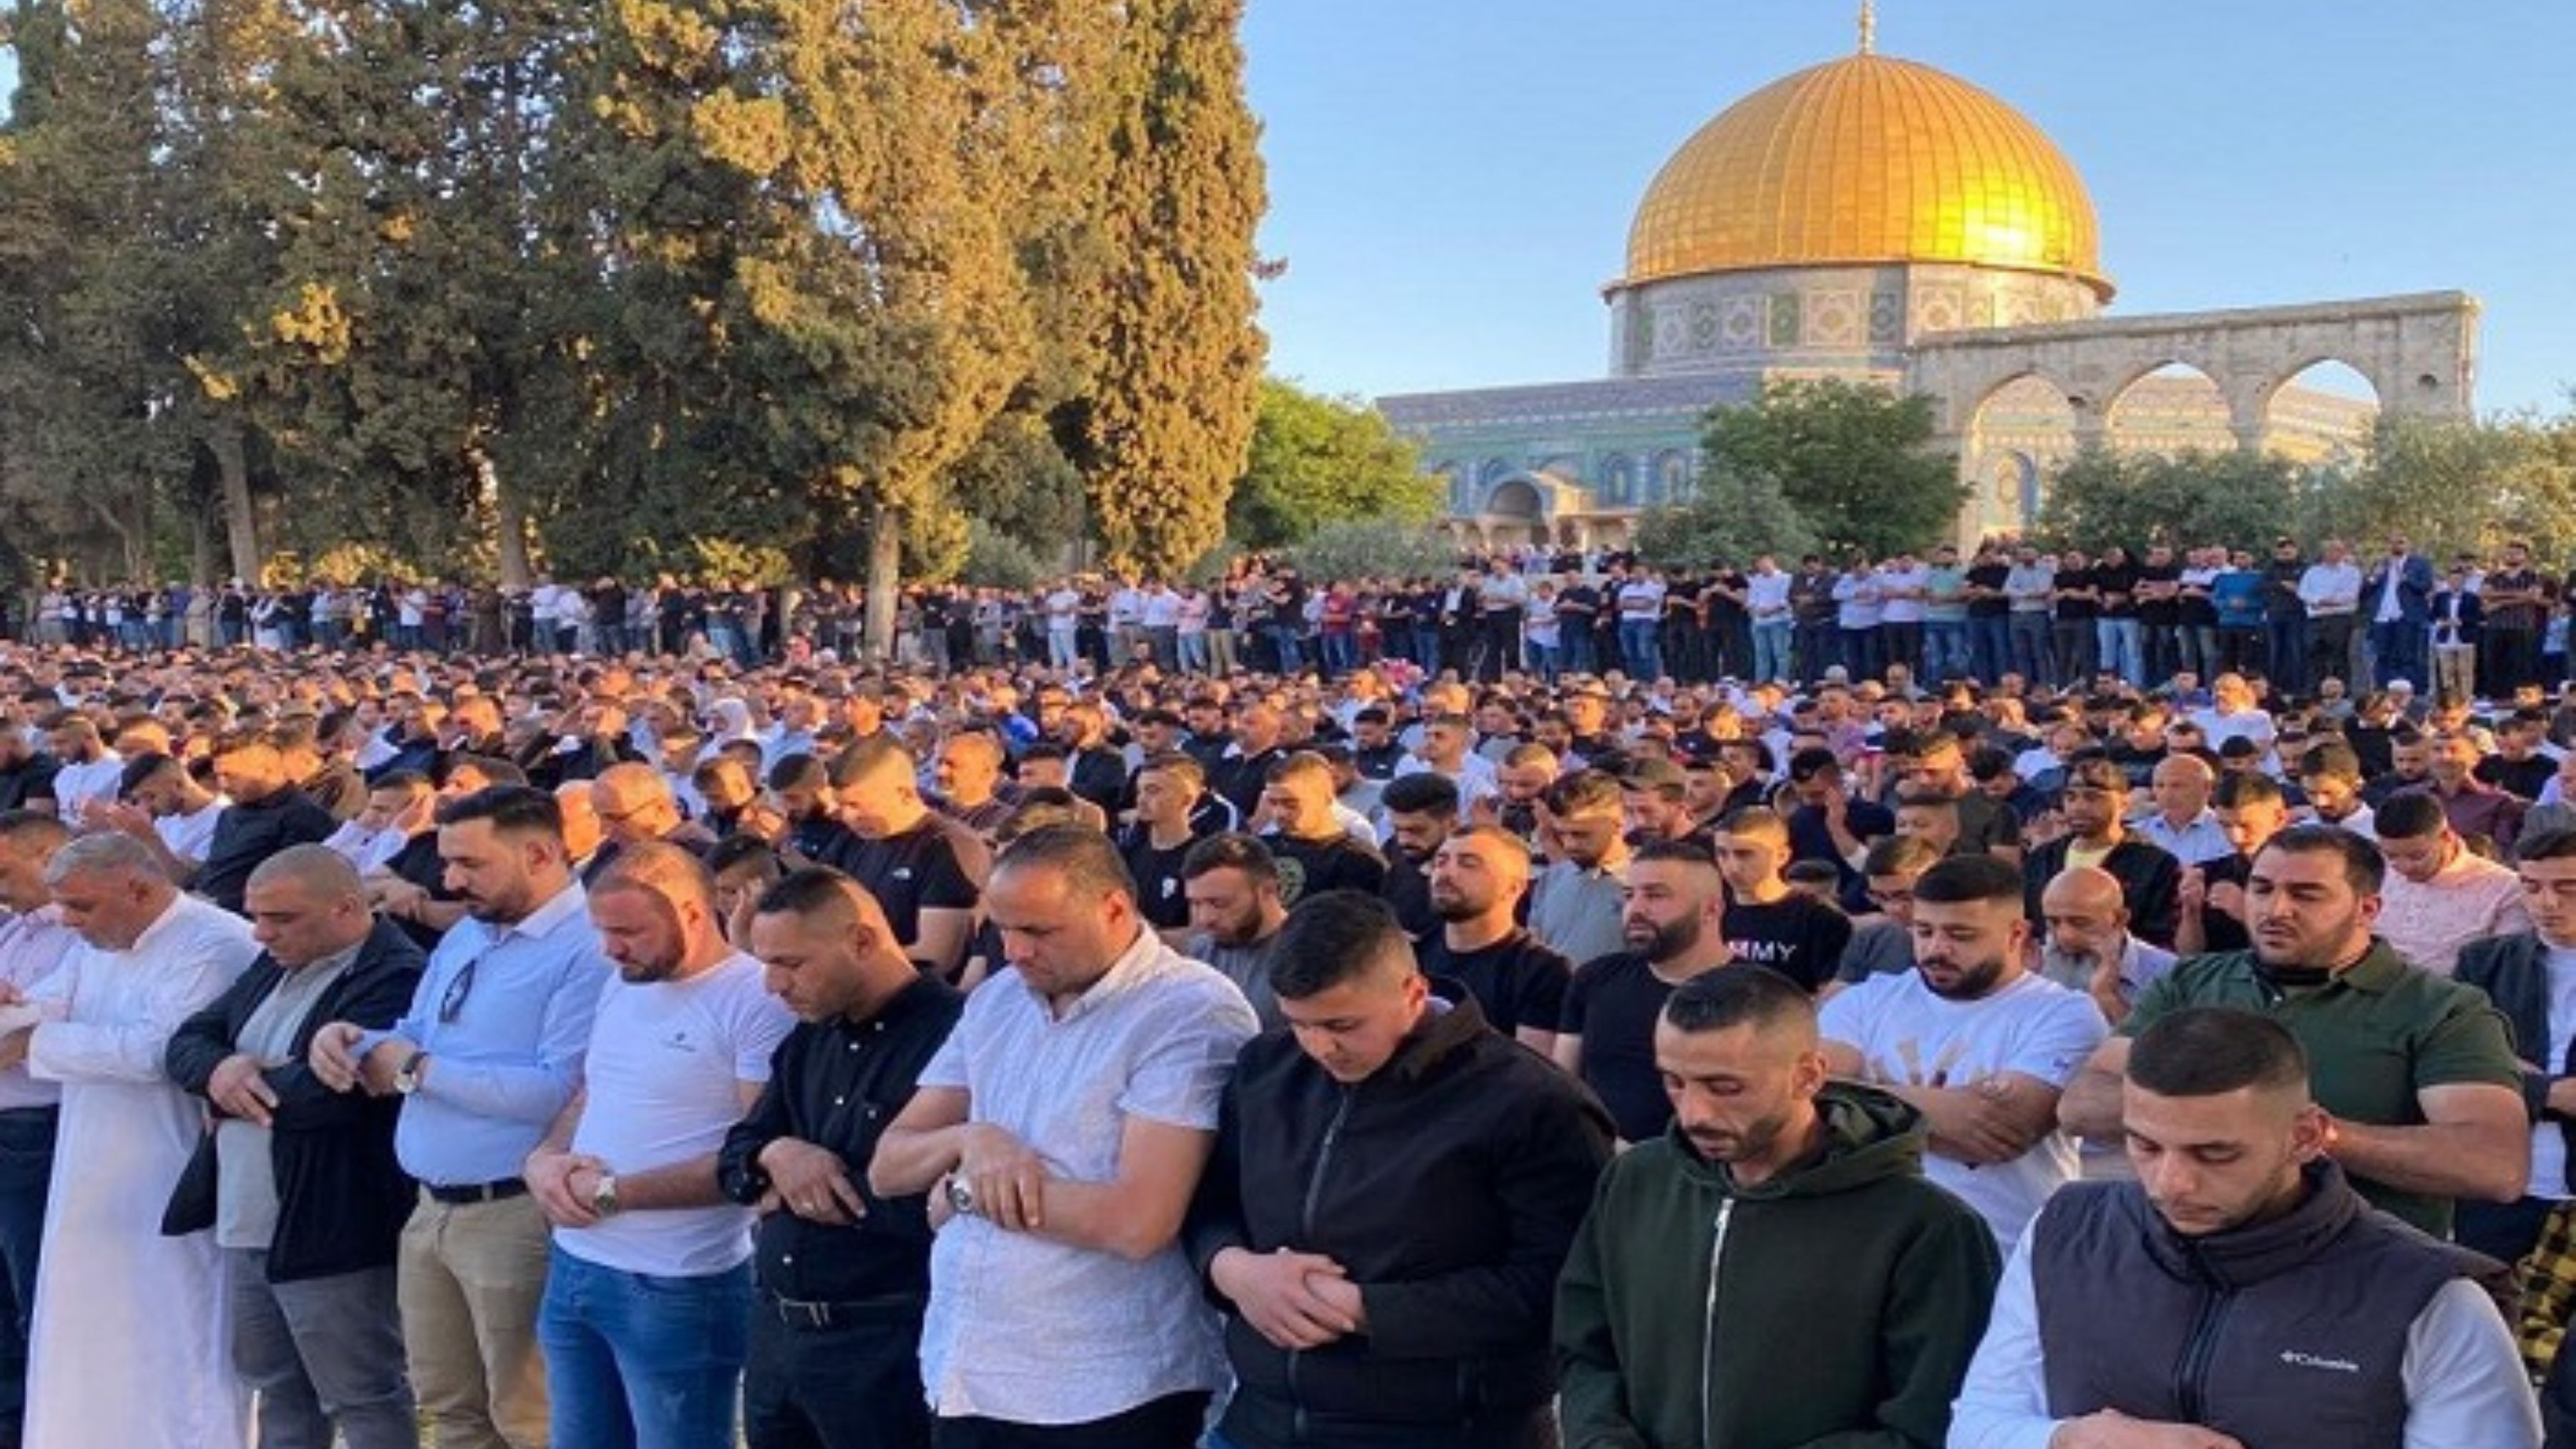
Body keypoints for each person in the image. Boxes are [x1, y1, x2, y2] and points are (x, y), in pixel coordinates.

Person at [1951, 1008, 2541, 1449]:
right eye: (2146, 1145)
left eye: (2215, 1153)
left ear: (2306, 1135)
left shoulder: (2431, 1296)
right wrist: (2072, 1438)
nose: (2170, 1183)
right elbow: (1975, 1423)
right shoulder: (2064, 1231)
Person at [868, 825, 1259, 1448]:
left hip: (1108, 1384)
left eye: (1040, 930)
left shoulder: (1189, 1008)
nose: (1016, 950)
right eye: (1002, 929)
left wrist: (963, 1193)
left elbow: (1138, 1220)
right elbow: (889, 1164)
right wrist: (974, 1138)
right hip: (967, 1363)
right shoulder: (998, 998)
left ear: (1114, 908)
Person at [1186, 891, 1611, 1449]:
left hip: (1447, 1428)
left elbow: (1560, 1288)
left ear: (1413, 992)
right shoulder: (1265, 1067)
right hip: (1260, 1421)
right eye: (1299, 1023)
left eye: (1341, 1023)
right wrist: (1233, 1270)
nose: (1319, 1046)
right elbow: (1208, 1201)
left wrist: (1369, 1311)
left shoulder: (1532, 1102)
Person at [1554, 967, 2000, 1449]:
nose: (1693, 1113)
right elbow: (1585, 1348)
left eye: (1724, 1087)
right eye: (1674, 1081)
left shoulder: (1928, 1226)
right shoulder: (1636, 1181)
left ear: (1808, 1075)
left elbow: (1936, 1418)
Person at [307, 784, 611, 1449]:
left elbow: (562, 1089)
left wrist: (415, 1070)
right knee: (450, 1411)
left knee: (529, 1417)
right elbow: (423, 1028)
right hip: (431, 1208)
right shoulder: (474, 931)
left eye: (470, 864)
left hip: (514, 1212)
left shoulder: (587, 948)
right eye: (448, 862)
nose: (449, 880)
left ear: (538, 853)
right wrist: (353, 1038)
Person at [2059, 824, 2528, 1239]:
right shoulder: (2192, 982)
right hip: (2187, 1261)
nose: (2275, 909)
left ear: (2367, 908)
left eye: (2306, 894)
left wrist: (2318, 1135)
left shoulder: (2440, 1009)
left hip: (2355, 1276)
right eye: (2261, 889)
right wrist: (2238, 1123)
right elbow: (2083, 1103)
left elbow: (2494, 1163)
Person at [522, 842, 793, 1447]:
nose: (610, 948)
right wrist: (544, 1158)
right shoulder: (625, 982)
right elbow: (594, 1090)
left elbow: (755, 1156)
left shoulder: (754, 999)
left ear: (693, 913)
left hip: (678, 1282)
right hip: (578, 1263)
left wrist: (616, 1193)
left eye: (628, 931)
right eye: (602, 929)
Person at [163, 846, 426, 1449]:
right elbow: (190, 1039)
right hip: (250, 1219)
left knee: (363, 1394)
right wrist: (223, 1068)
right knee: (279, 1389)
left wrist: (228, 1089)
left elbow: (332, 1093)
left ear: (346, 907)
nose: (261, 931)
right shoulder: (275, 962)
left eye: (280, 917)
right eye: (256, 915)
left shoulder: (395, 973)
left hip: (333, 1225)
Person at [6, 831, 263, 1449]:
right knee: (85, 1324)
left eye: (81, 907)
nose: (67, 921)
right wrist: (16, 1011)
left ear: (139, 888)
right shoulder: (97, 940)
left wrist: (30, 1043)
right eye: (63, 905)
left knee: (176, 1323)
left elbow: (163, 1049)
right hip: (89, 1163)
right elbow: (56, 1002)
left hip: (170, 1170)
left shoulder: (214, 941)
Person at [721, 867, 964, 1449]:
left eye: (792, 963)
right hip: (778, 1335)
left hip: (884, 1347)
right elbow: (734, 1159)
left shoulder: (957, 1037)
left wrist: (809, 1193)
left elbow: (932, 1204)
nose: (772, 985)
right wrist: (781, 1151)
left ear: (861, 940)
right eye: (765, 962)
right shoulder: (810, 1037)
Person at [1820, 855, 2106, 1253]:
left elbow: (1998, 1131)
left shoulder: (2064, 1015)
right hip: (1873, 1253)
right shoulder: (1866, 1001)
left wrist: (1860, 1095)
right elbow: (1814, 1099)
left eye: (1961, 935)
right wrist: (1948, 1110)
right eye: (1924, 931)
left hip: (2003, 1255)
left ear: (2016, 934)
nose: (1937, 949)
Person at [2454, 827, 2576, 1370]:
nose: (2547, 903)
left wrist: (2515, 1072)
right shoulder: (2486, 963)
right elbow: (2468, 1063)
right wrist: (2550, 1090)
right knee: (2491, 1336)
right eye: (2532, 887)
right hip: (2503, 1181)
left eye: (2568, 888)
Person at [1553, 841, 1733, 1145]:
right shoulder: (1596, 978)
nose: (1635, 909)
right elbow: (1562, 1086)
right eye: (1629, 895)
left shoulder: (1756, 996)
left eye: (1655, 895)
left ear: (1711, 909)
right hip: (1597, 1165)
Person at [0, 812, 74, 1446]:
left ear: (50, 856)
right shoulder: (14, 928)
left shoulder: (81, 936)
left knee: (33, 1283)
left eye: (4, 870)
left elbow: (29, 1032)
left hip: (33, 1125)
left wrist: (18, 1016)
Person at [1418, 825, 1569, 1053]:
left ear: (1514, 887)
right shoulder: (1412, 956)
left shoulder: (1541, 971)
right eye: (1440, 862)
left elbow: (1533, 1075)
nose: (1447, 873)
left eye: (1469, 864)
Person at [2018, 755, 2180, 948]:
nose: (2079, 807)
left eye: (2092, 798)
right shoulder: (2043, 858)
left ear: (2123, 803)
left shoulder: (2155, 864)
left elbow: (2160, 935)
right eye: (2071, 797)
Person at [2375, 791, 2530, 977]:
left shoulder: (2506, 889)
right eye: (2391, 856)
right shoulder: (2376, 872)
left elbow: (2505, 971)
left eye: (2417, 856)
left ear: (2447, 838)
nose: (2403, 867)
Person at [1712, 806, 1853, 992]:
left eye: (1744, 854)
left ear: (1781, 856)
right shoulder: (1709, 914)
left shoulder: (1819, 919)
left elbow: (1831, 996)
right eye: (1722, 854)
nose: (1732, 866)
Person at [2034, 865, 2175, 1028]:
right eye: (2053, 922)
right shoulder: (2036, 964)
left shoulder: (2166, 973)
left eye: (2080, 923)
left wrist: (2107, 997)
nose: (2066, 935)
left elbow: (2158, 1050)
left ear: (2119, 919)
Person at [1180, 833, 1290, 1029]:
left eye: (1219, 903)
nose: (1205, 918)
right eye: (1196, 904)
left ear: (1269, 890)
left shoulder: (1303, 954)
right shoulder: (1198, 954)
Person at [1527, 769, 1634, 967]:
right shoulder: (1552, 878)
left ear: (1620, 821)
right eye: (1561, 833)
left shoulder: (1645, 884)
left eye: (1581, 834)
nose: (1569, 845)